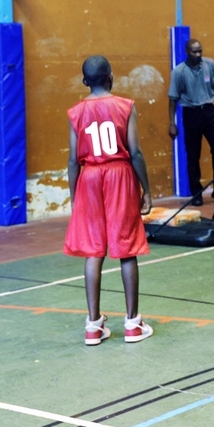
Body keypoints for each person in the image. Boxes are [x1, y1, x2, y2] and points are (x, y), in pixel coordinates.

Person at [64, 55, 154, 346]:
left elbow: (73, 160)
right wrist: (146, 189)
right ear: (111, 77)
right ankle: (133, 323)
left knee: (94, 250)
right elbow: (135, 152)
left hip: (89, 178)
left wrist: (74, 196)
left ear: (85, 81)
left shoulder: (76, 112)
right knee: (126, 247)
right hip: (119, 175)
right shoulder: (125, 106)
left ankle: (93, 326)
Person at [168, 39, 214, 206]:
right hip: (191, 113)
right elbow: (172, 99)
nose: (198, 54)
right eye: (194, 52)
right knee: (193, 155)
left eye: (200, 51)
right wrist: (172, 123)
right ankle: (196, 192)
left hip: (209, 111)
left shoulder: (210, 65)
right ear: (187, 52)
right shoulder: (179, 72)